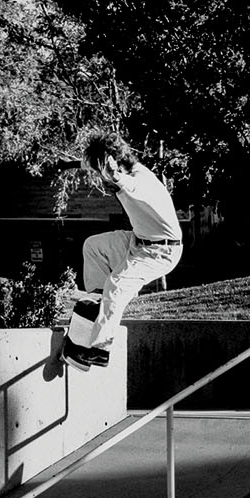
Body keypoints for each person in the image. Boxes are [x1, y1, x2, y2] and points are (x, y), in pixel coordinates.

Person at [61, 132, 182, 370]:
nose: (102, 181)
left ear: (114, 165)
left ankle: (100, 350)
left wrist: (115, 175)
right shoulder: (121, 168)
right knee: (94, 246)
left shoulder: (140, 180)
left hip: (161, 252)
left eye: (102, 173)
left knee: (116, 286)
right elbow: (92, 162)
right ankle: (98, 303)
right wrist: (70, 164)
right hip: (137, 241)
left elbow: (131, 185)